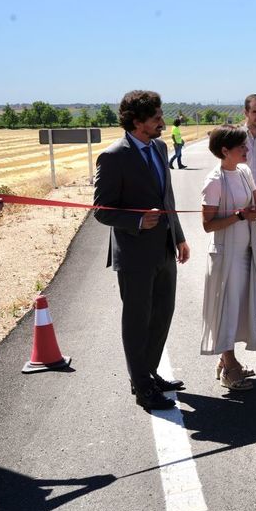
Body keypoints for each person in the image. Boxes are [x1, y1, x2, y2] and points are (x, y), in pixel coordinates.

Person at [93, 90, 189, 412]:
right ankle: (142, 388)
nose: (162, 122)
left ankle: (148, 373)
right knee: (137, 321)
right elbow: (102, 211)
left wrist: (179, 237)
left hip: (164, 249)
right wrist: (135, 220)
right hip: (134, 256)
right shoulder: (113, 157)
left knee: (163, 313)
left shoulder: (161, 147)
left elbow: (167, 200)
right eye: (156, 118)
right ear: (137, 123)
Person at [199, 126, 256, 390]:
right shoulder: (214, 181)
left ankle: (226, 360)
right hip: (225, 255)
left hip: (246, 250)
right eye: (242, 147)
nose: (247, 150)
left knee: (240, 308)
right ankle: (229, 366)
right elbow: (208, 224)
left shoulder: (245, 172)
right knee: (226, 308)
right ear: (225, 151)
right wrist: (239, 216)